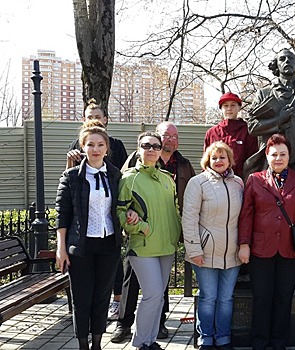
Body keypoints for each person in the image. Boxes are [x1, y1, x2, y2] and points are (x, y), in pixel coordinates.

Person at [111, 122, 196, 343]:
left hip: (167, 246)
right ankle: (139, 341)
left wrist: (182, 234)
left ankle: (150, 341)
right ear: (138, 149)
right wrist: (138, 226)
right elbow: (120, 211)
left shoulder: (169, 178)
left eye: (155, 146)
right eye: (146, 145)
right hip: (143, 246)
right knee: (152, 295)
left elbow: (176, 209)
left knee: (158, 297)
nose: (151, 150)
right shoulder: (129, 177)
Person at [238, 134, 295, 350]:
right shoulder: (255, 180)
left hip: (289, 249)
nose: (278, 158)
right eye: (274, 154)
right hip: (260, 249)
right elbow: (246, 214)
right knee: (262, 299)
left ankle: (278, 343)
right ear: (267, 156)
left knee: (284, 299)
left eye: (282, 154)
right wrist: (244, 243)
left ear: (289, 156)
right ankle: (259, 343)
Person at [55, 120, 124, 350]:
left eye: (100, 144)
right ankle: (83, 344)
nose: (95, 149)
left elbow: (122, 206)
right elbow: (62, 214)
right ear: (83, 147)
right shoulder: (71, 176)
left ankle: (97, 343)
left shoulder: (115, 175)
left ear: (107, 148)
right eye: (90, 144)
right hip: (81, 247)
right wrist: (61, 248)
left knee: (102, 298)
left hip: (108, 245)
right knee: (82, 299)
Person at [65, 98, 128, 320]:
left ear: (106, 120)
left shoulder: (117, 145)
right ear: (84, 121)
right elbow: (68, 185)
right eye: (90, 117)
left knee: (114, 260)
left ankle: (118, 301)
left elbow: (124, 177)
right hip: (86, 218)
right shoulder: (76, 146)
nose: (94, 121)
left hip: (110, 213)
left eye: (98, 117)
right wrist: (69, 163)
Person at [183, 141, 244, 350]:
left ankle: (224, 337)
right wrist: (194, 250)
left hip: (232, 253)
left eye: (222, 157)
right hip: (205, 252)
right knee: (208, 297)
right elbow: (189, 218)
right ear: (207, 160)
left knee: (226, 298)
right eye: (214, 157)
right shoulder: (197, 183)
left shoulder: (238, 183)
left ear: (230, 160)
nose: (218, 161)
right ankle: (206, 338)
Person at [244, 48, 295, 178]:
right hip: (272, 160)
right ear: (277, 65)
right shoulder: (264, 94)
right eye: (282, 59)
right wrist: (278, 120)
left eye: (291, 59)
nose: (287, 61)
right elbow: (252, 127)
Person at [204, 92, 259, 177]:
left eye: (233, 105)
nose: (229, 108)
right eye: (225, 106)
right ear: (221, 108)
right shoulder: (211, 133)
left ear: (239, 108)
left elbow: (252, 161)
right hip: (214, 181)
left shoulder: (248, 131)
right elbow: (206, 160)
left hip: (240, 181)